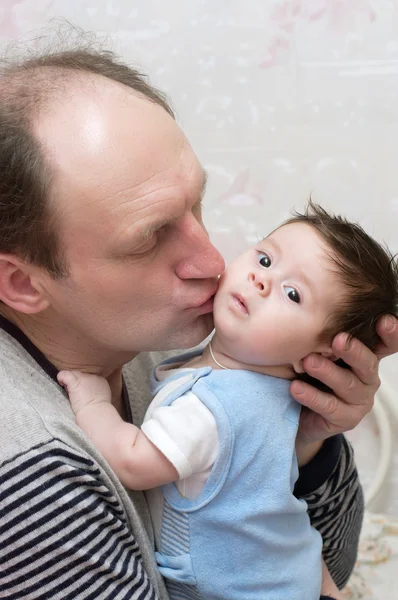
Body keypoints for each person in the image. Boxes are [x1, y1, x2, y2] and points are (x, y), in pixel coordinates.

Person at [0, 32, 397, 599]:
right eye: (150, 237)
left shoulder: (183, 339)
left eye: (196, 206)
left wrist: (309, 444)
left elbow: (316, 564)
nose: (212, 262)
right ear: (21, 282)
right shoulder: (27, 486)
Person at [58, 203, 398, 600]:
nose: (260, 280)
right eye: (266, 258)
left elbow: (134, 462)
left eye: (293, 294)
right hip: (295, 568)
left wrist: (93, 402)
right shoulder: (265, 394)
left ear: (323, 356)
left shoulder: (217, 406)